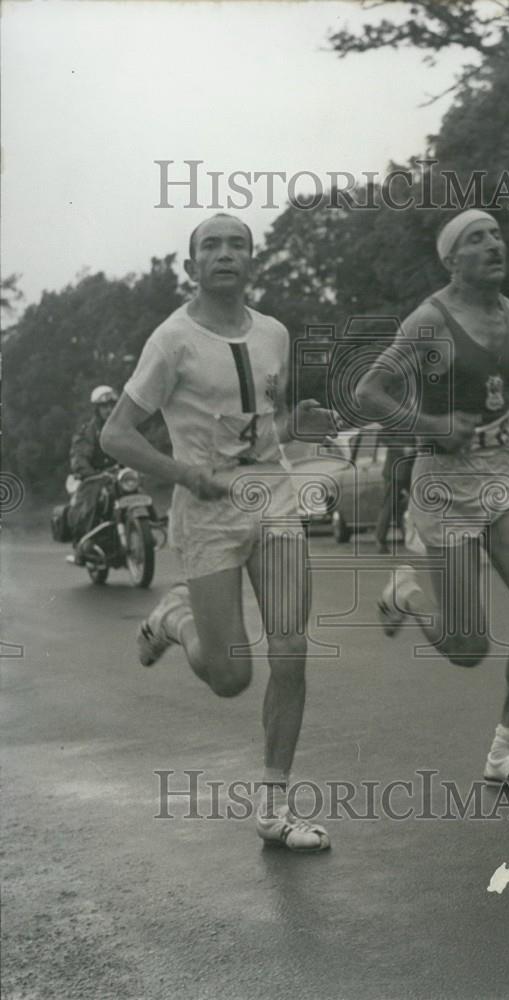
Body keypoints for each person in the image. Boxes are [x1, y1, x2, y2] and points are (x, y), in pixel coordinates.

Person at [101, 213, 338, 852]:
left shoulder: (276, 334)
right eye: (212, 245)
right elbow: (115, 434)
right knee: (231, 677)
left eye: (238, 244)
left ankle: (274, 807)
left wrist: (303, 422)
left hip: (274, 501)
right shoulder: (172, 340)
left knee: (291, 652)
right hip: (206, 516)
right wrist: (184, 472)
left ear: (252, 261)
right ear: (192, 265)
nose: (225, 254)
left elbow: (265, 426)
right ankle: (176, 621)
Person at [356, 209, 509, 789]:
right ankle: (408, 598)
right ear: (452, 259)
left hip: (506, 475)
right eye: (477, 239)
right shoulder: (429, 321)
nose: (494, 245)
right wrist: (433, 423)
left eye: (496, 235)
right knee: (468, 647)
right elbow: (369, 390)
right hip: (445, 482)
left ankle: (504, 751)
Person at [67, 385, 119, 544]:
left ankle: (150, 525)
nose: (109, 410)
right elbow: (79, 456)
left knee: (135, 488)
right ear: (97, 409)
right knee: (91, 502)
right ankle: (85, 541)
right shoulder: (89, 431)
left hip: (118, 473)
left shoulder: (123, 428)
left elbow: (136, 449)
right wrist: (91, 473)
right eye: (104, 406)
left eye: (111, 405)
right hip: (96, 475)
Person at [374, 432, 417, 553]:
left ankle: (410, 536)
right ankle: (380, 539)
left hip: (411, 469)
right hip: (394, 470)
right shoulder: (394, 418)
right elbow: (382, 436)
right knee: (389, 505)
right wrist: (401, 448)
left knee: (414, 504)